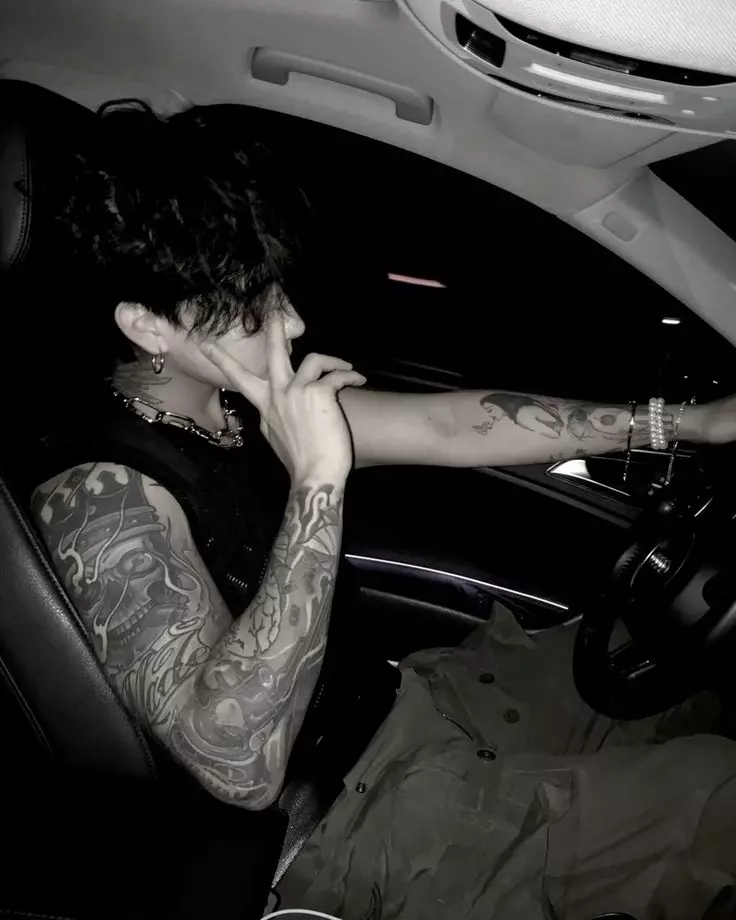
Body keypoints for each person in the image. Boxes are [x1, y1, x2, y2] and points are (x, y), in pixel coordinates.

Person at [24, 100, 736, 919]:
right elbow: (236, 766)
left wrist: (684, 424)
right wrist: (317, 478)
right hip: (351, 829)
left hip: (406, 707)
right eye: (253, 307)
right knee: (716, 800)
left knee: (674, 678)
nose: (291, 321)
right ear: (147, 325)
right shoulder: (97, 501)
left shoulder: (240, 403)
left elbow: (451, 424)